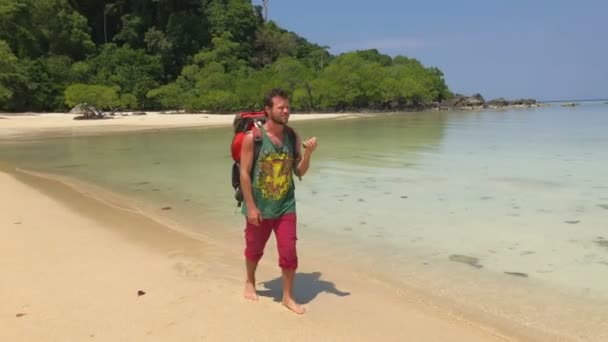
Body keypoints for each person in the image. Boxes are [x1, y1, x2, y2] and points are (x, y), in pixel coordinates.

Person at [239, 88, 318, 314]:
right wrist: (251, 207)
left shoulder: (292, 137)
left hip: (286, 205)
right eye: (281, 107)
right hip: (260, 207)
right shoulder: (252, 139)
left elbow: (299, 171)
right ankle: (250, 281)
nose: (286, 111)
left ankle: (287, 297)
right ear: (267, 110)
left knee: (289, 251)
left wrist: (309, 154)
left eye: (287, 107)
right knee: (254, 249)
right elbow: (244, 173)